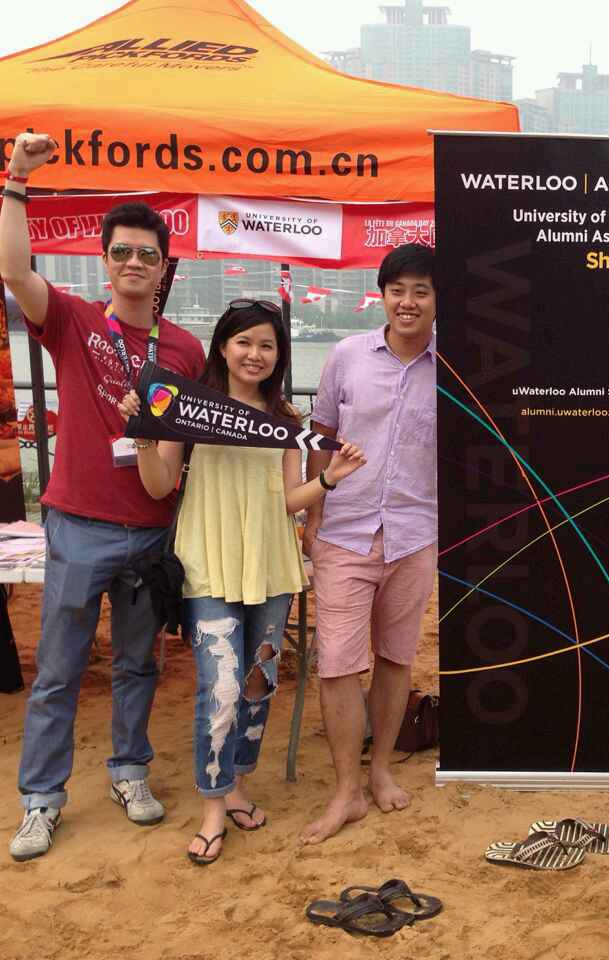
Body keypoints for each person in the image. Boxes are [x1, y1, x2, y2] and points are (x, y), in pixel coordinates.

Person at [0, 132, 205, 862]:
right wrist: (18, 180)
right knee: (59, 668)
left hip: (152, 532)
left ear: (163, 266)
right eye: (122, 252)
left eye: (148, 254)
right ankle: (41, 800)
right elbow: (14, 268)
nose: (134, 264)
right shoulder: (75, 323)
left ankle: (129, 770)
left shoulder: (183, 350)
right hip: (78, 523)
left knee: (139, 664)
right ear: (105, 260)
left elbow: (184, 448)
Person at [116, 300, 366, 865]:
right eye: (244, 342)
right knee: (219, 685)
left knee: (258, 682)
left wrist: (328, 478)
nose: (255, 354)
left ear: (278, 357)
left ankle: (235, 783)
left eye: (267, 345)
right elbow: (159, 487)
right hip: (208, 561)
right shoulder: (188, 407)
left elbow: (289, 501)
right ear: (223, 347)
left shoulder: (284, 421)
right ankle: (212, 801)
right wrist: (146, 433)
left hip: (271, 564)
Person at [298, 243, 439, 844]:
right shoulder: (346, 357)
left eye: (421, 291)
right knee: (336, 665)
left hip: (415, 534)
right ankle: (345, 792)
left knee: (395, 658)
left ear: (437, 300)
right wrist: (313, 509)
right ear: (381, 294)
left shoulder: (454, 368)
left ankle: (380, 770)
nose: (408, 302)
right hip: (345, 531)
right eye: (398, 290)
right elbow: (320, 435)